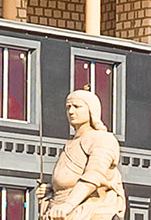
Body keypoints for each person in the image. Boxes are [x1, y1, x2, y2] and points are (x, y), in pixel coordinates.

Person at [43, 89, 126, 220]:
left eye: (77, 106)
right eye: (68, 107)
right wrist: (50, 190)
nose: (71, 111)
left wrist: (68, 205)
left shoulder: (102, 139)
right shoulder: (69, 144)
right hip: (58, 209)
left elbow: (94, 175)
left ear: (91, 110)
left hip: (88, 208)